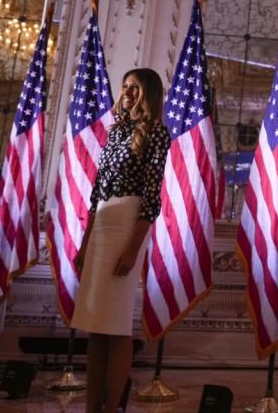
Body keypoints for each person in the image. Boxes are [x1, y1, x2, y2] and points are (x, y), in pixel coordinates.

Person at [71, 68, 171, 413]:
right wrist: (84, 244)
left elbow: (151, 196)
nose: (127, 92)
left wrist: (132, 248)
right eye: (125, 86)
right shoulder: (114, 133)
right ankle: (90, 406)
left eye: (135, 88)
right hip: (100, 225)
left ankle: (111, 406)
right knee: (95, 326)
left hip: (127, 226)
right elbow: (96, 191)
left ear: (149, 94)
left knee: (114, 326)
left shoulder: (156, 133)